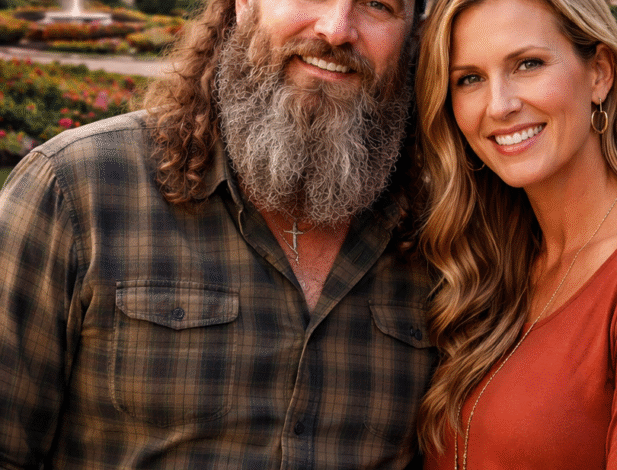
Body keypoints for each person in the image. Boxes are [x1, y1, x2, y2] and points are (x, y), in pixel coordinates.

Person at [0, 0, 436, 466]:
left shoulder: (440, 234)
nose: (336, 29)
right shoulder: (77, 189)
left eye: (377, 4)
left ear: (413, 34)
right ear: (243, 4)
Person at [413, 0, 617, 467]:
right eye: (469, 79)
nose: (500, 105)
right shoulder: (497, 260)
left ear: (599, 74)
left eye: (528, 64)